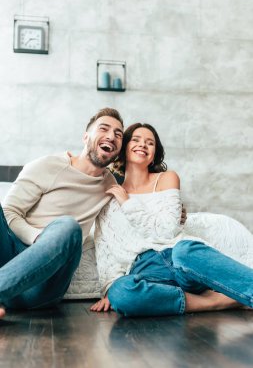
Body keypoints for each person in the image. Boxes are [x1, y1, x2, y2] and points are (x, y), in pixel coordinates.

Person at [91, 123, 253, 316]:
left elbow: (167, 231)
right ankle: (216, 301)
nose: (142, 144)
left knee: (186, 250)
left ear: (154, 153)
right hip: (145, 270)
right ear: (123, 147)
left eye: (149, 142)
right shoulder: (110, 198)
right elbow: (105, 249)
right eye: (135, 140)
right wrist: (109, 289)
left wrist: (128, 204)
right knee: (121, 292)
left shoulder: (167, 178)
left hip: (179, 256)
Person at [0, 107, 124, 319]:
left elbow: (143, 204)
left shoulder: (112, 186)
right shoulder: (47, 166)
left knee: (68, 226)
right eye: (104, 128)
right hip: (10, 257)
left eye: (118, 134)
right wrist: (38, 237)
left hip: (44, 286)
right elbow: (10, 212)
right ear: (86, 137)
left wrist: (178, 211)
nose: (111, 136)